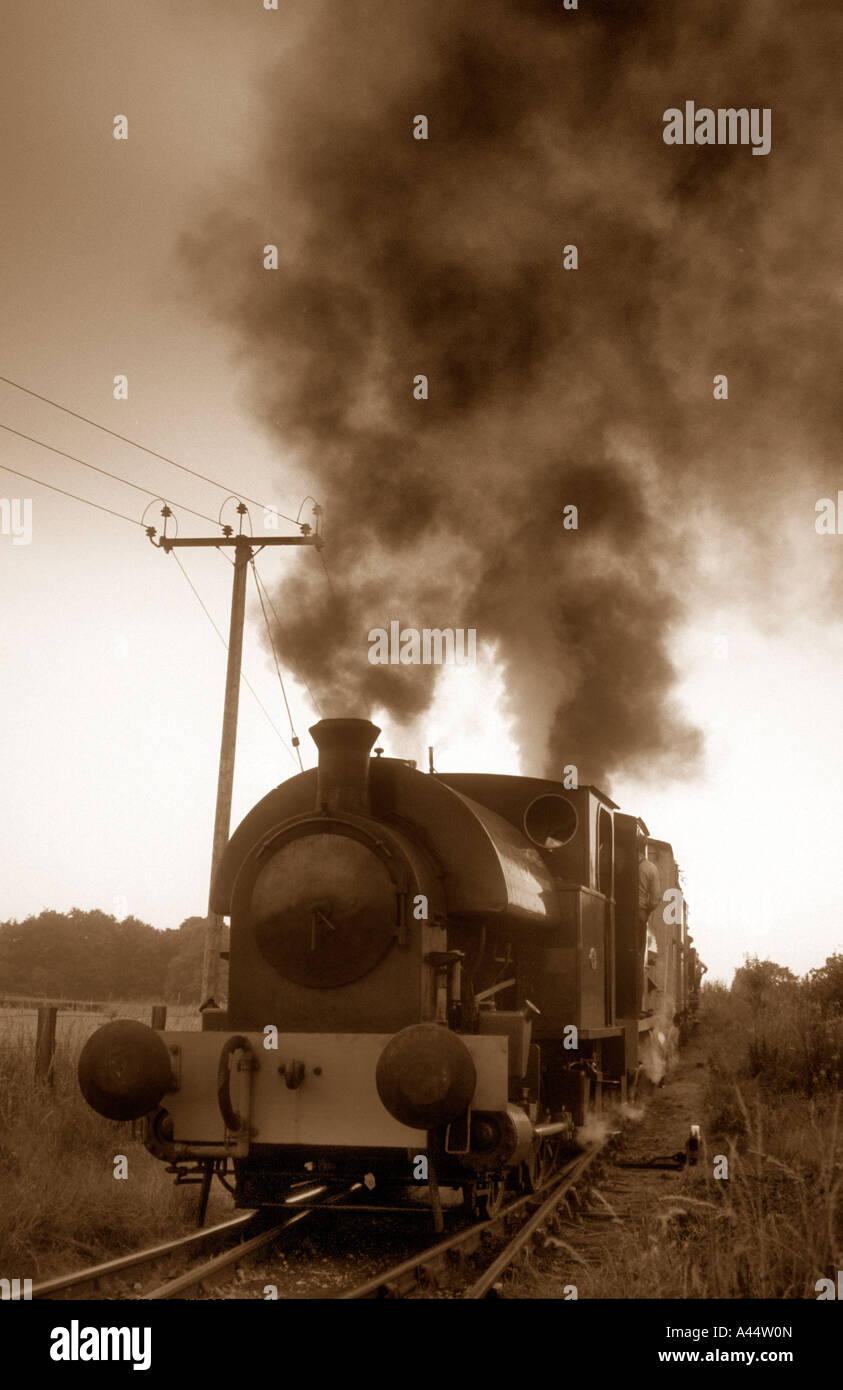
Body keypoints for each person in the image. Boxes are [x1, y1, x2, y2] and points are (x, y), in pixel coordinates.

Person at [638, 837, 661, 1013]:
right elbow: (655, 899)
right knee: (638, 959)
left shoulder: (616, 862)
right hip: (638, 914)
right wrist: (646, 909)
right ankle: (638, 1005)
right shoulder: (650, 868)